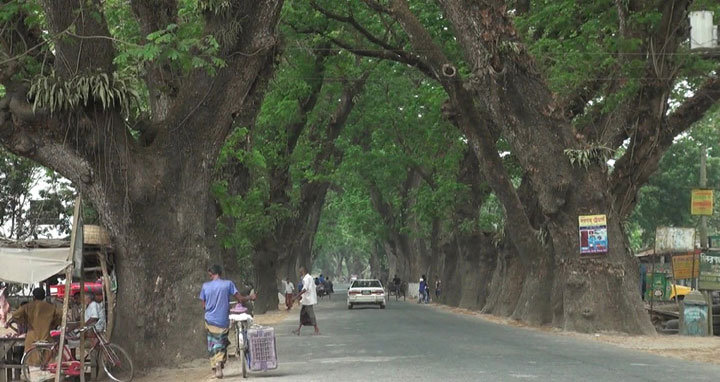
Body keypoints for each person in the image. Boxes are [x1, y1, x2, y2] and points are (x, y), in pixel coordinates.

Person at [199, 264, 256, 379]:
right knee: (221, 342)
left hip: (209, 320)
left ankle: (215, 366)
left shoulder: (205, 286)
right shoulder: (228, 284)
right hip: (222, 320)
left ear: (210, 274)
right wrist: (250, 297)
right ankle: (219, 363)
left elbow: (203, 305)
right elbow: (240, 299)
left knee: (212, 343)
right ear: (220, 273)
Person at [4, 288, 62, 365]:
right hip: (46, 337)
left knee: (31, 361)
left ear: (33, 297)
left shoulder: (27, 306)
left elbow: (15, 315)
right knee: (47, 362)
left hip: (32, 338)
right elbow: (60, 317)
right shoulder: (51, 307)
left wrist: (25, 320)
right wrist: (52, 324)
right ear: (44, 296)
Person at [292, 266, 320, 336]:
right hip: (306, 300)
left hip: (308, 300)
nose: (299, 273)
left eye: (300, 272)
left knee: (311, 315)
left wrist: (297, 296)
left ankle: (316, 329)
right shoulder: (309, 277)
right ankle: (298, 329)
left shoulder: (306, 279)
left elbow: (305, 289)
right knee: (302, 315)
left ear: (303, 271)